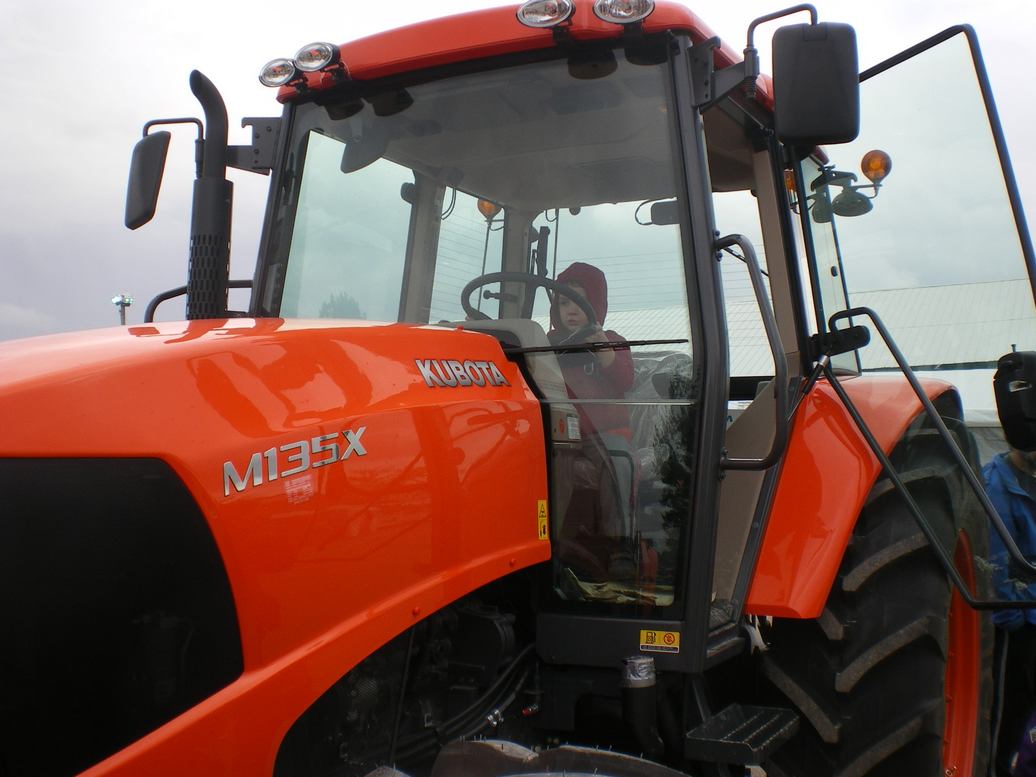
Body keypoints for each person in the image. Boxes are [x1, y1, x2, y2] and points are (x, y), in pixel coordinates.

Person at [547, 262, 637, 583]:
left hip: (604, 433)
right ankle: (549, 544)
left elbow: (625, 378)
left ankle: (622, 545)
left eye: (580, 302)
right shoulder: (544, 344)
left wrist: (603, 352)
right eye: (564, 303)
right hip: (561, 433)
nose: (571, 310)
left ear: (596, 304)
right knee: (550, 466)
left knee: (618, 461)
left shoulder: (610, 341)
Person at [987, 446, 1036, 775]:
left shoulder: (1029, 479)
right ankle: (997, 768)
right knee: (1008, 710)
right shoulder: (996, 484)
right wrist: (1012, 618)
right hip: (1017, 625)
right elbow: (995, 564)